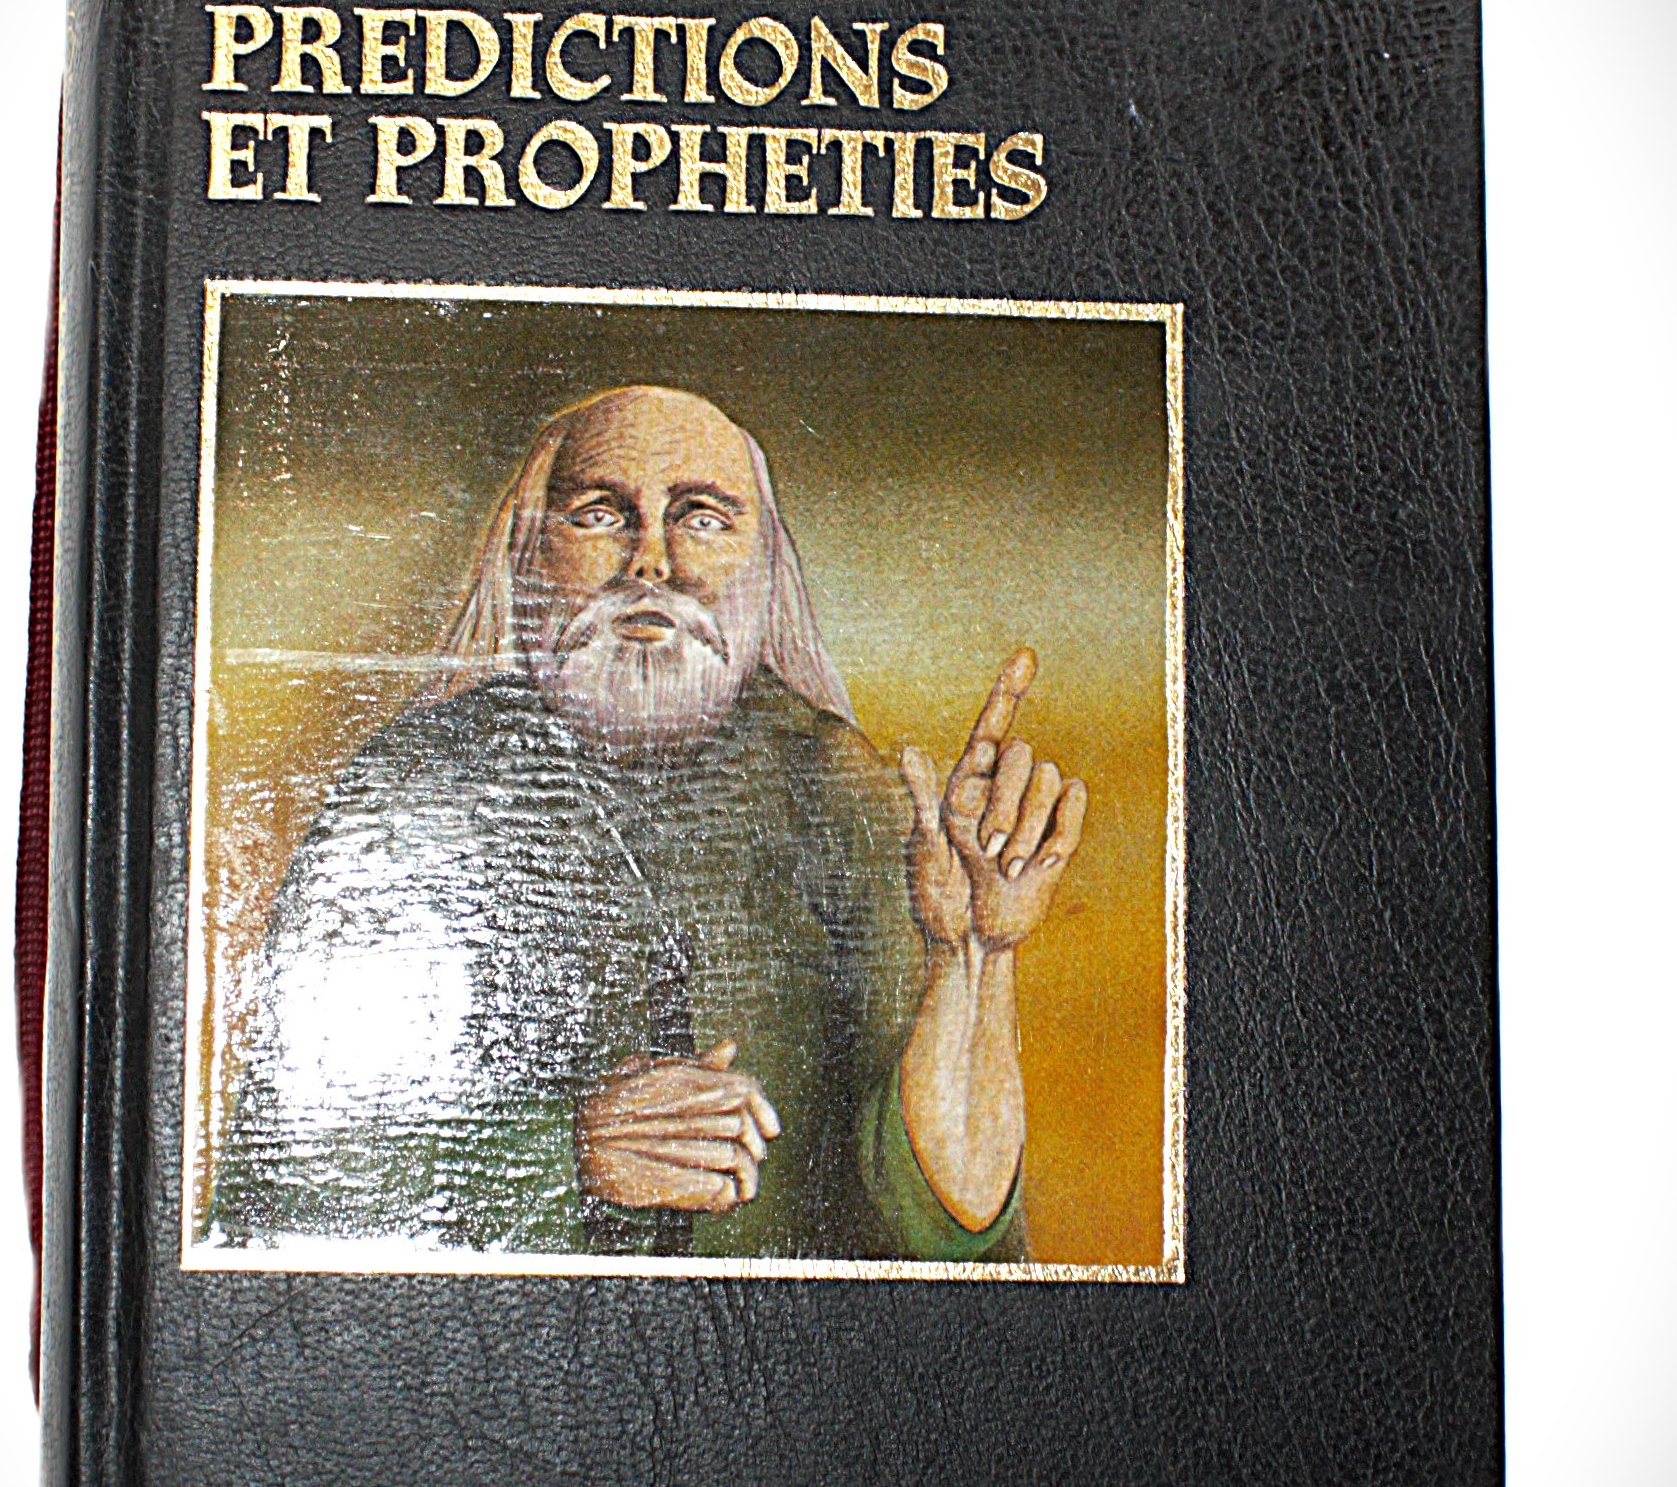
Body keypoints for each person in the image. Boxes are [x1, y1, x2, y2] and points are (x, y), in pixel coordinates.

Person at [210, 384, 1088, 1261]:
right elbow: (286, 1191)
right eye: (599, 514)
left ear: (760, 563)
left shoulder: (837, 788)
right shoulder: (412, 791)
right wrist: (566, 1158)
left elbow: (942, 1228)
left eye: (701, 519)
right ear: (529, 551)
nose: (651, 564)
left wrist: (974, 959)